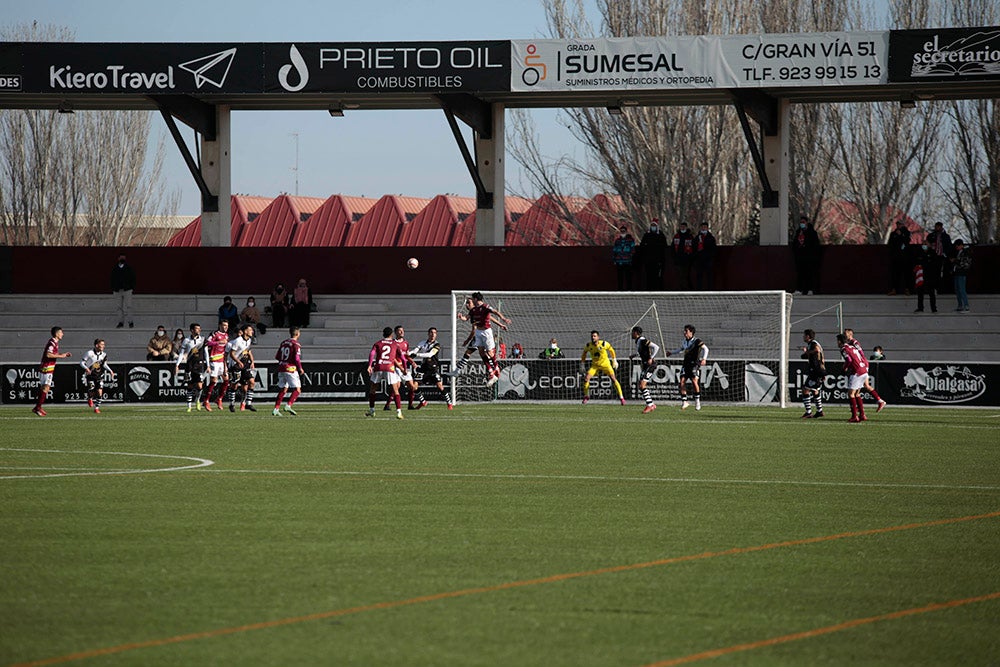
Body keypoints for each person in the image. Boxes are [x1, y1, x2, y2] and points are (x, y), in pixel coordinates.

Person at [450, 292, 511, 387]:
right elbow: (466, 318)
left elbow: (494, 312)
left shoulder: (485, 307)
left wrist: (503, 319)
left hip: (486, 332)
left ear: (475, 299)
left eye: (472, 299)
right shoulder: (474, 310)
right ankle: (491, 373)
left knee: (490, 353)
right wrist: (461, 317)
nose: (470, 302)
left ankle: (496, 368)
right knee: (481, 352)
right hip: (478, 332)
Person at [665, 324, 709, 410]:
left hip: (694, 364)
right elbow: (681, 349)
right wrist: (671, 353)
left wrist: (704, 359)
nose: (684, 333)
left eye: (686, 331)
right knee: (681, 382)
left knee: (694, 381)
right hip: (686, 364)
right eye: (684, 331)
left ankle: (697, 401)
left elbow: (706, 349)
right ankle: (684, 401)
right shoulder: (684, 341)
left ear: (691, 332)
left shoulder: (697, 341)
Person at [409, 326, 454, 411]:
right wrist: (408, 353)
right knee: (414, 386)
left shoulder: (437, 344)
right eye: (431, 332)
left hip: (433, 368)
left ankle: (449, 403)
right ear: (428, 333)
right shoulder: (423, 342)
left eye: (434, 333)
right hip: (423, 367)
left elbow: (430, 354)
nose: (433, 334)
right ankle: (423, 401)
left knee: (440, 386)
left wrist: (417, 355)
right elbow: (415, 350)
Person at [366, 326, 405, 419]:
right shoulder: (395, 344)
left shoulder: (378, 343)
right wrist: (404, 369)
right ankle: (399, 412)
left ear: (383, 334)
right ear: (391, 334)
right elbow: (403, 358)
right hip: (389, 367)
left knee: (373, 389)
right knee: (395, 390)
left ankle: (372, 410)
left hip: (379, 366)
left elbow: (372, 353)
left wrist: (369, 365)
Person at [843, 328, 886, 413]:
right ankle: (879, 401)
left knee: (856, 391)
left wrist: (861, 362)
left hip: (862, 365)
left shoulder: (854, 342)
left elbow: (861, 352)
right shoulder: (849, 344)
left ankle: (858, 410)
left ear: (850, 334)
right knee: (865, 386)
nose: (844, 335)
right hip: (862, 365)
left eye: (846, 334)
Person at [32, 326, 72, 416]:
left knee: (45, 388)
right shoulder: (52, 342)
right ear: (57, 333)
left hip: (47, 367)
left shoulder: (55, 343)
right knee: (46, 388)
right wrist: (62, 356)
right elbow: (48, 355)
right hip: (47, 368)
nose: (63, 334)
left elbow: (53, 354)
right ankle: (37, 408)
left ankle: (37, 407)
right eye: (61, 332)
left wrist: (63, 354)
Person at [580, 330, 625, 406]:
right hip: (595, 366)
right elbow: (584, 353)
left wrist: (614, 360)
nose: (593, 337)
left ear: (598, 337)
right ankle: (586, 396)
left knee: (613, 379)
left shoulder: (604, 343)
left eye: (594, 336)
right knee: (586, 378)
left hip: (606, 365)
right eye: (592, 336)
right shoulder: (588, 345)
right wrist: (582, 364)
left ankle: (621, 397)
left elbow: (611, 350)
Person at [384, 325, 420, 410]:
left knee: (411, 386)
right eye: (400, 331)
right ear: (396, 332)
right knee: (397, 386)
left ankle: (410, 405)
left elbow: (406, 355)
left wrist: (412, 362)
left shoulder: (405, 343)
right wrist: (399, 367)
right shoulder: (392, 343)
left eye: (403, 330)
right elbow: (391, 357)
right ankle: (387, 405)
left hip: (404, 367)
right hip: (396, 367)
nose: (402, 332)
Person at [837, 333, 870, 423]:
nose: (837, 343)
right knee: (857, 394)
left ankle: (854, 416)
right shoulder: (852, 347)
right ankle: (862, 414)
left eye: (837, 341)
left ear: (840, 341)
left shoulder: (844, 349)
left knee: (851, 394)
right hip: (864, 370)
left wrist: (844, 368)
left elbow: (849, 360)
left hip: (857, 372)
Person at [174, 323, 206, 412]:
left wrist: (207, 363)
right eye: (197, 329)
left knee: (200, 386)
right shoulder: (186, 340)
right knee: (190, 385)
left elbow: (206, 352)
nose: (199, 330)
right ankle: (189, 406)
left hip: (199, 365)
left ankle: (198, 400)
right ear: (192, 330)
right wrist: (177, 364)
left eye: (199, 328)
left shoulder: (203, 340)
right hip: (190, 365)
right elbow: (181, 353)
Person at [226, 324, 257, 412]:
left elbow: (248, 352)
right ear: (245, 331)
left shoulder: (249, 340)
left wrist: (252, 362)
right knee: (234, 385)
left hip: (245, 364)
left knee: (251, 382)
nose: (252, 331)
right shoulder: (237, 341)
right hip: (236, 365)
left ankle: (248, 403)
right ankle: (231, 404)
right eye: (250, 330)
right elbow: (232, 354)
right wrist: (238, 361)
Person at [274, 326, 304, 416]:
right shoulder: (296, 345)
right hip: (290, 369)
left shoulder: (283, 343)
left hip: (281, 368)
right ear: (298, 334)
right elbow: (297, 358)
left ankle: (276, 409)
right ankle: (288, 405)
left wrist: (283, 363)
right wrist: (300, 368)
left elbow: (277, 357)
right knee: (297, 390)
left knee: (283, 389)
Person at [630, 326, 660, 413]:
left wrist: (651, 358)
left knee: (642, 385)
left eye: (632, 332)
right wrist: (634, 355)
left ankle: (650, 405)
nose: (631, 334)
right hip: (646, 365)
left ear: (636, 333)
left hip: (650, 365)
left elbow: (656, 347)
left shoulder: (642, 340)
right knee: (641, 385)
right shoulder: (638, 341)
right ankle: (651, 404)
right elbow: (642, 352)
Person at [80, 339, 115, 414]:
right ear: (96, 345)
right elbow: (81, 363)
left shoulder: (104, 354)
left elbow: (104, 364)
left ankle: (96, 408)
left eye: (104, 344)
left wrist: (110, 370)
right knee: (92, 389)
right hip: (90, 375)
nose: (103, 346)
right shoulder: (89, 353)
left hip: (99, 375)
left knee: (99, 391)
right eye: (101, 344)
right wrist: (86, 369)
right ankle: (90, 398)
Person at [202, 320, 231, 411]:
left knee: (226, 380)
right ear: (220, 325)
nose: (225, 327)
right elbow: (207, 343)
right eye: (224, 325)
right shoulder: (214, 334)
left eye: (227, 326)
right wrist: (218, 342)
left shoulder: (226, 335)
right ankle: (206, 400)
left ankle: (219, 398)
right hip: (214, 360)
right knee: (214, 381)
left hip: (222, 360)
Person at [799, 329, 826, 419]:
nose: (803, 337)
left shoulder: (813, 343)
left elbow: (817, 350)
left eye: (804, 335)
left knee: (805, 390)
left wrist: (807, 352)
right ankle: (820, 411)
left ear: (808, 336)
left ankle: (808, 412)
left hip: (816, 371)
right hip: (819, 370)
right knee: (815, 390)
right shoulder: (812, 344)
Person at [791, 215, 821, 295]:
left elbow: (815, 245)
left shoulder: (812, 233)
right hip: (800, 257)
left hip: (809, 257)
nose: (802, 224)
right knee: (800, 273)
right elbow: (795, 244)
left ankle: (810, 289)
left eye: (803, 222)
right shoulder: (798, 232)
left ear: (807, 223)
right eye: (801, 223)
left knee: (809, 273)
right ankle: (799, 289)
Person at [638, 218, 667, 290]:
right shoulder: (646, 235)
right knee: (648, 275)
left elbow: (664, 247)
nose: (653, 227)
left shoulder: (661, 235)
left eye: (654, 225)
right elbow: (642, 246)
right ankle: (649, 289)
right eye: (652, 225)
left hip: (658, 260)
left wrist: (661, 259)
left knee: (657, 276)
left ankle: (657, 289)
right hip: (648, 260)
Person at [926, 222, 952, 294]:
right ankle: (933, 288)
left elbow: (949, 247)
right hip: (933, 257)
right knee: (933, 273)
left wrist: (945, 254)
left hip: (942, 257)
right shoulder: (931, 235)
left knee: (941, 273)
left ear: (941, 227)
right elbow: (927, 244)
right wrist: (929, 246)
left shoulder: (946, 236)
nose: (937, 228)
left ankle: (941, 289)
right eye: (936, 226)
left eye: (938, 227)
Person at [110, 253, 135, 328]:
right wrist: (114, 288)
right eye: (121, 258)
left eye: (123, 258)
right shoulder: (115, 269)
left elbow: (133, 278)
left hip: (127, 290)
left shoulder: (129, 268)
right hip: (117, 290)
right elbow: (112, 279)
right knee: (119, 307)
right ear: (118, 259)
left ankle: (130, 322)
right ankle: (121, 322)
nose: (122, 259)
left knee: (129, 306)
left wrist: (131, 287)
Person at [887, 220, 912, 295]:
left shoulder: (907, 233)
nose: (898, 226)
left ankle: (907, 289)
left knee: (906, 274)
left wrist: (901, 235)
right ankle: (894, 289)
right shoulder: (893, 234)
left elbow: (907, 241)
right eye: (897, 224)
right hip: (896, 257)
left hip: (905, 257)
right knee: (895, 274)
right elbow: (890, 243)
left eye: (900, 224)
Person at [912, 242, 938, 313]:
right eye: (923, 244)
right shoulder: (918, 252)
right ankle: (920, 308)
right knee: (920, 292)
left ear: (929, 245)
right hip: (921, 276)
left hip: (930, 276)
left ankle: (933, 308)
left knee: (931, 293)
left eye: (926, 244)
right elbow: (915, 262)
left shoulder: (932, 252)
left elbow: (935, 264)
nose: (924, 245)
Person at [693, 222, 717, 291]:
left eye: (705, 227)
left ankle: (710, 289)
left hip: (708, 260)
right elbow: (694, 248)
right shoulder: (697, 238)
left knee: (709, 275)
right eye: (702, 227)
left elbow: (713, 249)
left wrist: (710, 257)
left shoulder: (711, 238)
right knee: (699, 275)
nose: (703, 228)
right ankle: (699, 289)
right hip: (699, 260)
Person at [671, 220, 695, 290]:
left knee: (685, 275)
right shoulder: (676, 236)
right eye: (681, 227)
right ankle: (683, 288)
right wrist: (674, 258)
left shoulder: (690, 237)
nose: (682, 228)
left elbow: (693, 248)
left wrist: (690, 258)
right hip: (678, 260)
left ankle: (687, 289)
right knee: (680, 276)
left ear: (686, 228)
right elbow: (673, 248)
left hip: (687, 260)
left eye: (684, 227)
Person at [612, 225, 636, 290]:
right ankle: (620, 289)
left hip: (627, 261)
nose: (622, 232)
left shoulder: (630, 240)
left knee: (628, 276)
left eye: (624, 231)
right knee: (620, 277)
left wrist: (631, 257)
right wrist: (614, 259)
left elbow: (633, 250)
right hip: (619, 262)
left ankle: (629, 289)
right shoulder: (617, 241)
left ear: (626, 232)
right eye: (621, 231)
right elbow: (614, 250)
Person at [951, 239, 972, 312]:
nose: (956, 248)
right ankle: (960, 305)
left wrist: (955, 261)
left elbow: (965, 263)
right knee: (957, 290)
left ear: (961, 245)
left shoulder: (965, 252)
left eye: (957, 246)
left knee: (962, 289)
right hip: (957, 272)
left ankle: (966, 306)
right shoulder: (959, 252)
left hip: (962, 273)